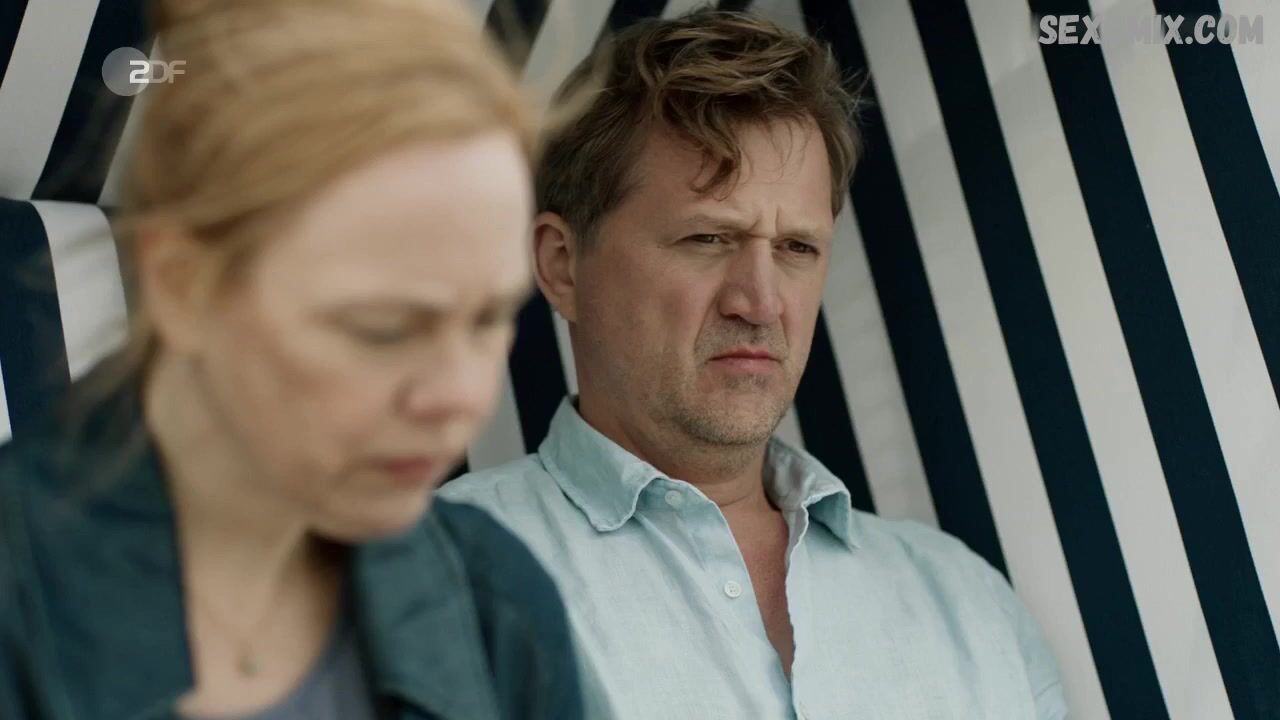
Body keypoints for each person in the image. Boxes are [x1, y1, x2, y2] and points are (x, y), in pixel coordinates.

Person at [440, 8, 1068, 719]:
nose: (762, 303)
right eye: (708, 238)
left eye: (798, 248)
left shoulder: (970, 605)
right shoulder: (424, 582)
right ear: (562, 264)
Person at [0, 1, 581, 718]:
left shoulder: (498, 606)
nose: (463, 395)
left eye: (491, 319)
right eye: (383, 329)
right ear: (182, 285)